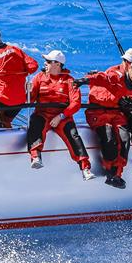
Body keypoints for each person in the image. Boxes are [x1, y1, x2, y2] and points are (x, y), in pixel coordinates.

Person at [80, 59, 132, 189]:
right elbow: (102, 78)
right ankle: (110, 171)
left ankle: (117, 173)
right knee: (108, 137)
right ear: (129, 68)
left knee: (125, 139)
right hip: (99, 113)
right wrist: (85, 79)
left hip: (117, 114)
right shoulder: (116, 76)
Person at [27, 51, 94, 180]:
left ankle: (85, 168)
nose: (45, 64)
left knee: (74, 136)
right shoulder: (39, 77)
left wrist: (61, 116)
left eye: (48, 61)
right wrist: (27, 91)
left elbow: (76, 103)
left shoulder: (69, 80)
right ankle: (35, 157)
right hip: (43, 114)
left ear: (57, 64)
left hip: (63, 117)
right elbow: (30, 98)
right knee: (35, 122)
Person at [0, 28, 39, 127]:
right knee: (6, 119)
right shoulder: (15, 49)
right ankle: (5, 125)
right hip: (19, 101)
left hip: (2, 100)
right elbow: (33, 66)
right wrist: (18, 75)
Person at [105, 48, 132, 174]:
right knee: (121, 138)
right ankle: (115, 169)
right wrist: (119, 101)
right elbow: (104, 91)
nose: (126, 63)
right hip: (115, 111)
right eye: (125, 60)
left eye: (129, 61)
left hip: (130, 112)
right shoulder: (112, 71)